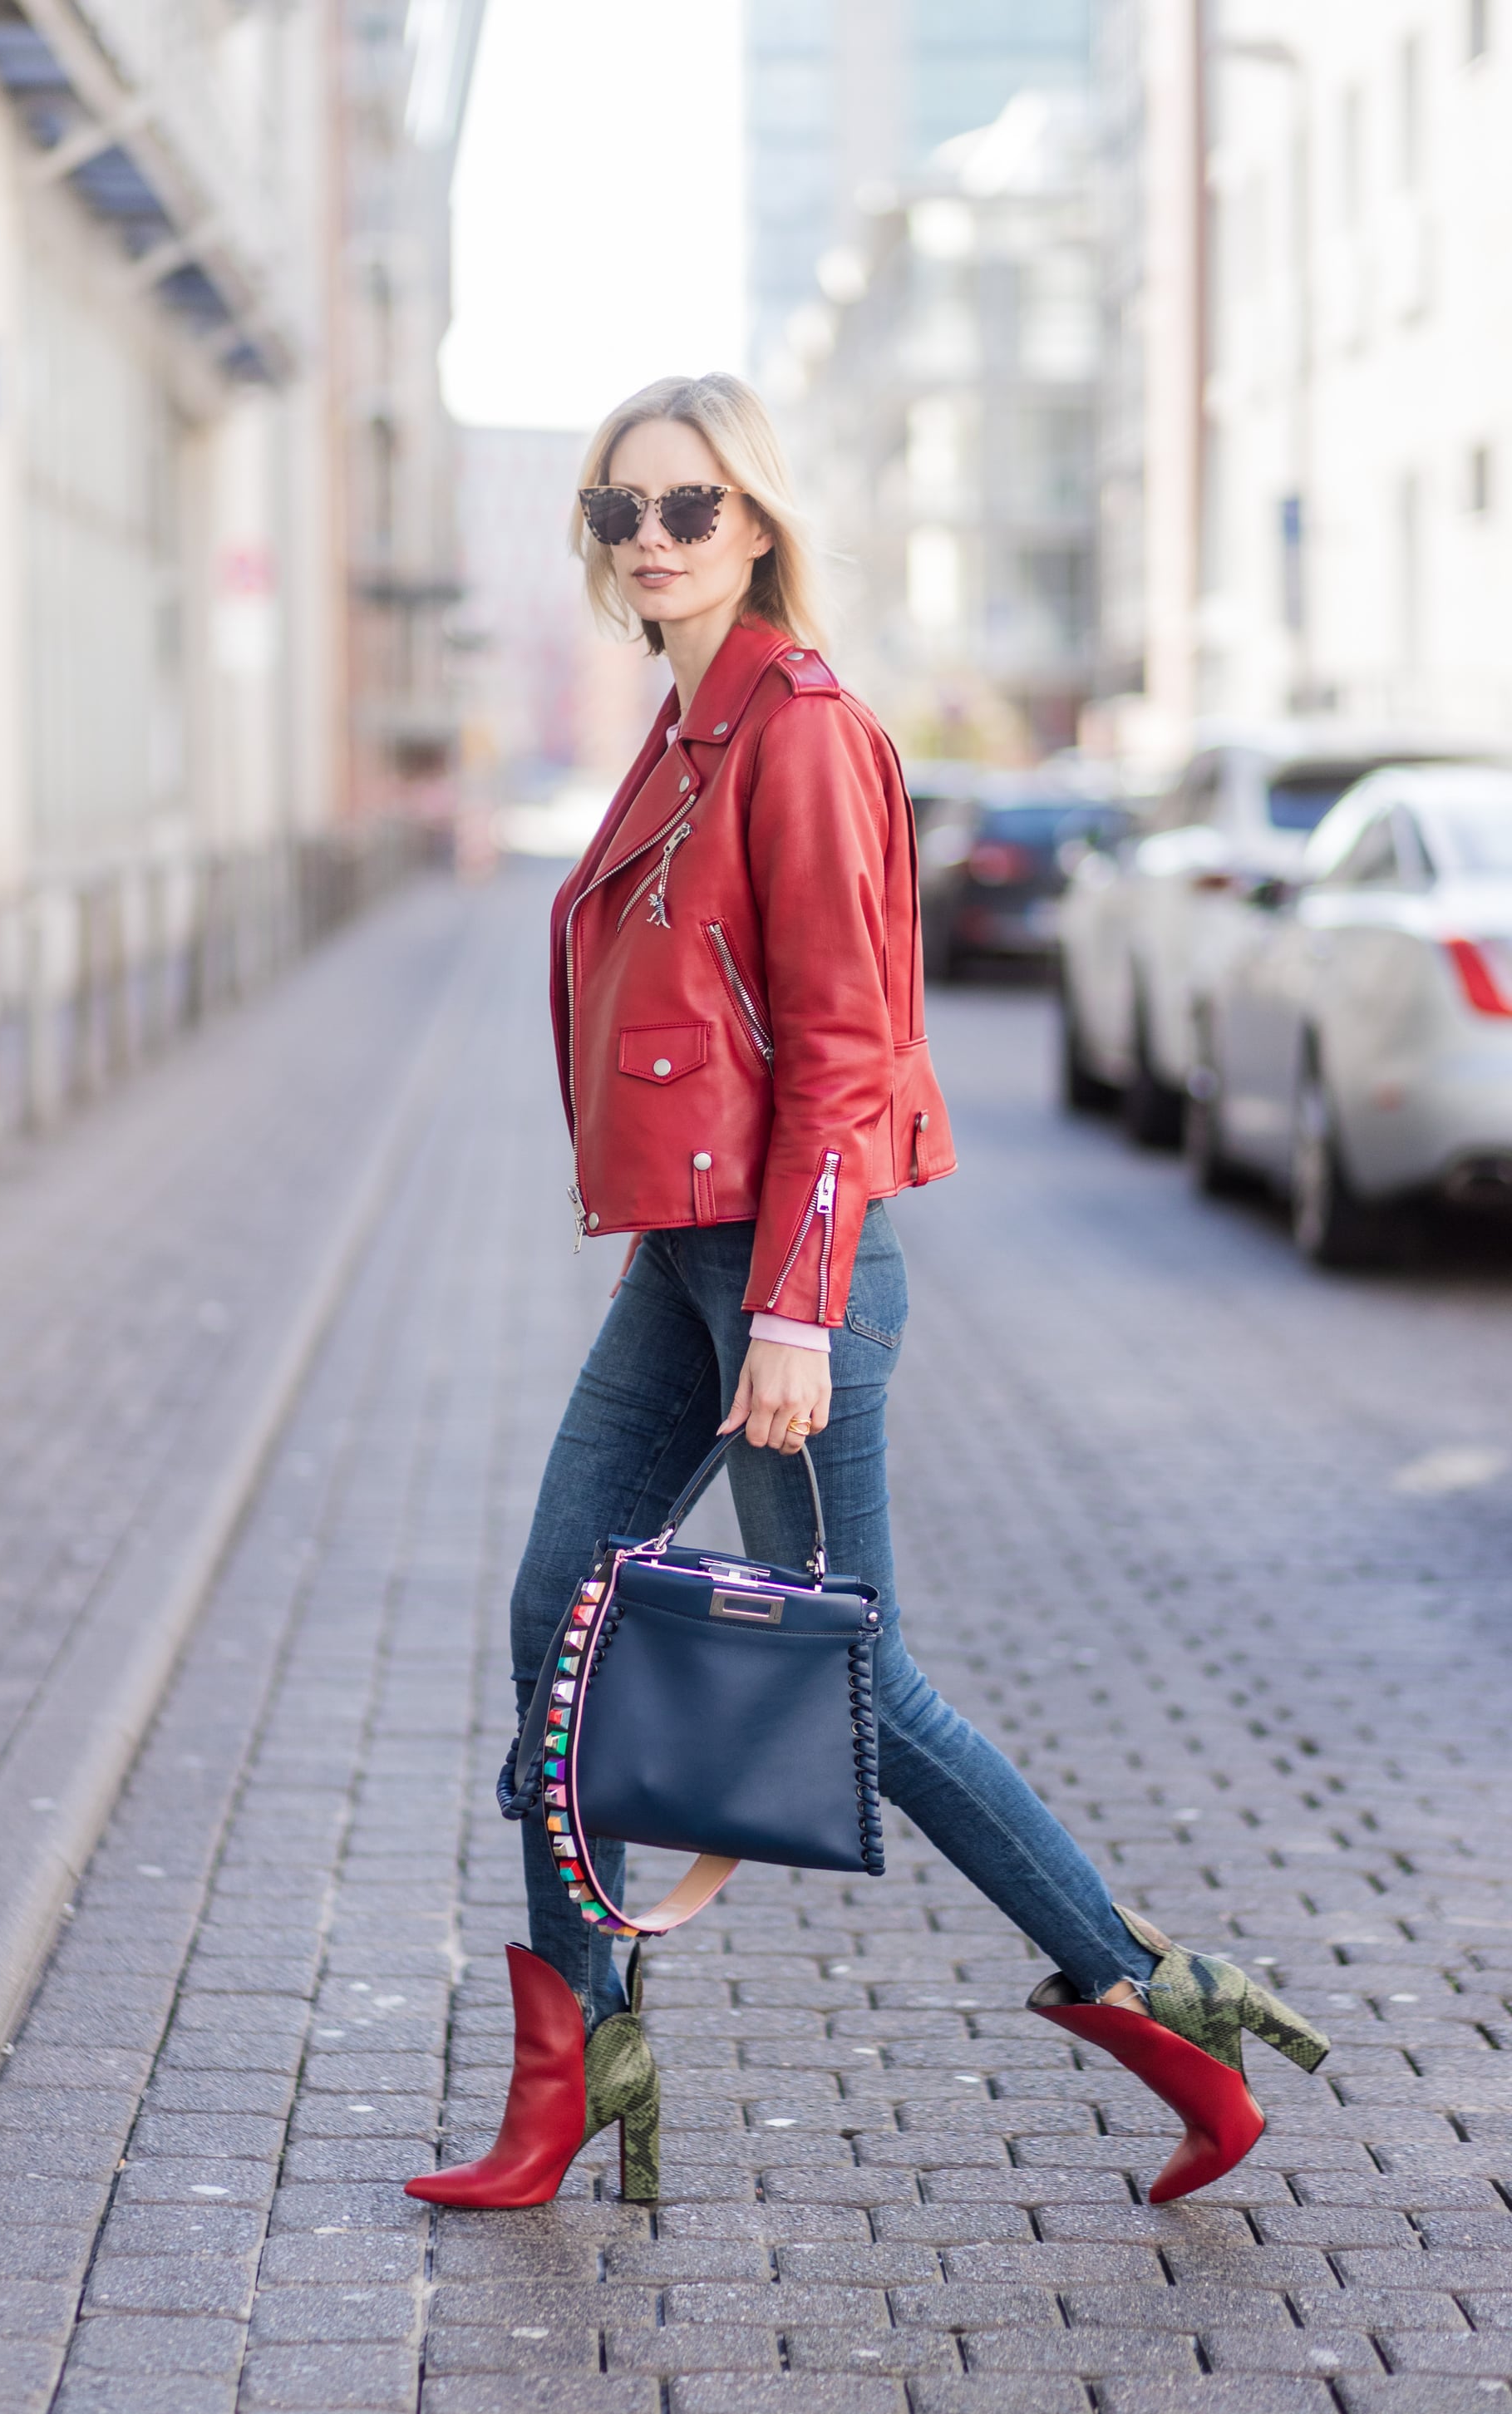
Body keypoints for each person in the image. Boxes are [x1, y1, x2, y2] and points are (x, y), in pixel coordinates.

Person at [405, 372, 1329, 2215]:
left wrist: (797, 1308)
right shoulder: (682, 729)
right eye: (616, 512)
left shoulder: (799, 730)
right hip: (690, 1262)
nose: (649, 540)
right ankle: (567, 2075)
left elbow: (844, 1044)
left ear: (754, 522)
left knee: (857, 1688)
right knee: (555, 1611)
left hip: (783, 1273)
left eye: (686, 507)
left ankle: (1168, 2019)